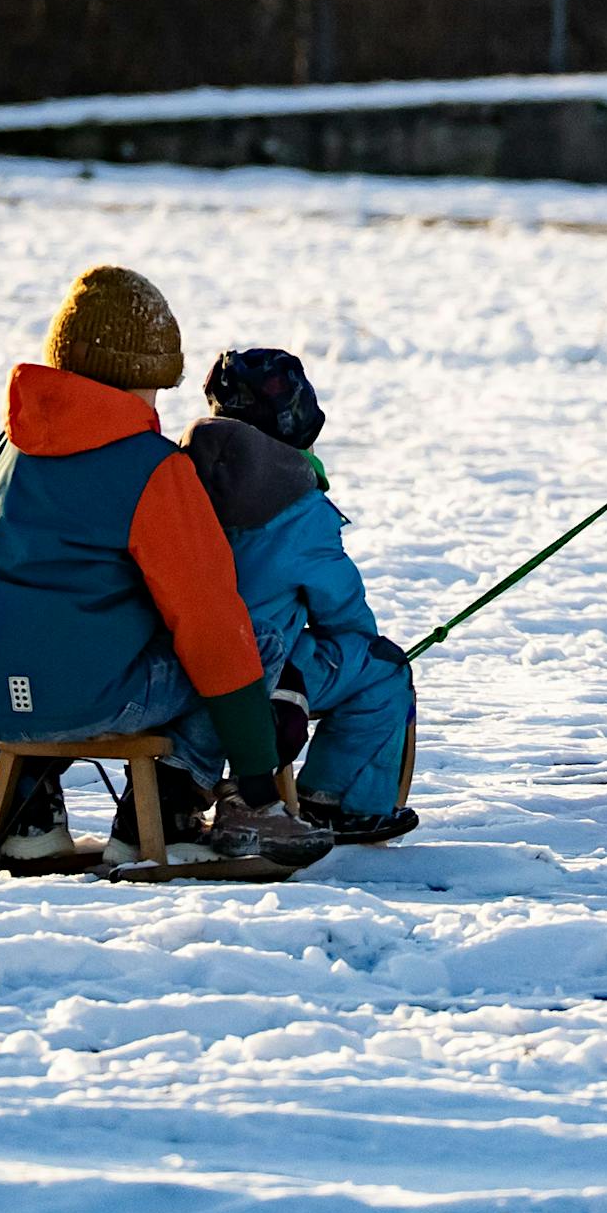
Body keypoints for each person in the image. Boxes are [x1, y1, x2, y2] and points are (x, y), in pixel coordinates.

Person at [0, 266, 337, 866]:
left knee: (13, 638)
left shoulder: (5, 449)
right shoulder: (153, 469)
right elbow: (210, 625)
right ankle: (171, 807)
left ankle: (22, 806)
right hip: (92, 697)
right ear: (147, 377)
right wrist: (257, 781)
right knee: (254, 638)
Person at [183, 348, 418, 843]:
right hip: (256, 670)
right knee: (382, 669)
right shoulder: (298, 509)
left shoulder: (175, 479)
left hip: (170, 664)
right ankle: (337, 803)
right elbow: (344, 615)